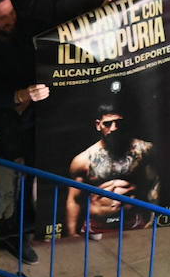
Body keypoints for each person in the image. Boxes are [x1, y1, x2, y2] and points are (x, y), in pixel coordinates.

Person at [65, 101, 161, 236]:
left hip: (134, 222)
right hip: (96, 226)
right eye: (107, 123)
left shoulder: (144, 150)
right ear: (98, 125)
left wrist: (152, 220)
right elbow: (74, 199)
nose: (114, 128)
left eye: (118, 122)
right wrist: (72, 234)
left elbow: (156, 185)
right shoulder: (83, 160)